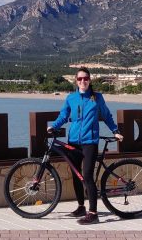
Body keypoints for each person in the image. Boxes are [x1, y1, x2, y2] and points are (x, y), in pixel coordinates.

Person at [48, 68, 122, 224]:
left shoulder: (97, 97)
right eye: (80, 79)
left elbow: (106, 115)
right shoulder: (71, 98)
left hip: (90, 142)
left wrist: (115, 130)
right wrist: (53, 126)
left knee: (87, 176)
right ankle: (81, 206)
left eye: (86, 78)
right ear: (76, 81)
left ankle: (93, 213)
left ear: (90, 80)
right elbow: (63, 115)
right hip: (73, 141)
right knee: (76, 175)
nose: (83, 81)